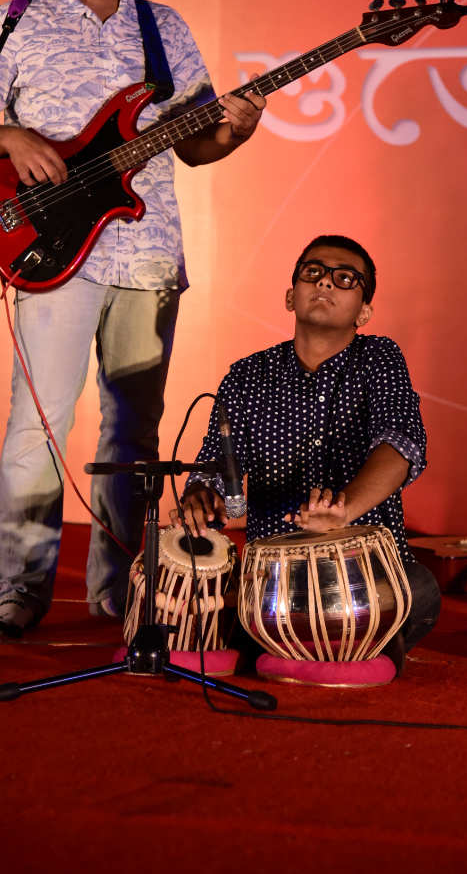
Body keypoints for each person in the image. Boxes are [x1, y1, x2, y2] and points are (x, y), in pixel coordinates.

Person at [0, 0, 264, 635]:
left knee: (134, 434)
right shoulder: (18, 22)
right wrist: (14, 137)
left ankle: (117, 591)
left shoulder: (165, 29)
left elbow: (195, 148)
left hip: (147, 250)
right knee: (40, 424)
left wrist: (236, 131)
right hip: (51, 247)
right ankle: (20, 590)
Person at [178, 234, 441, 667]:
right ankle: (327, 652)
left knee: (421, 589)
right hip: (274, 581)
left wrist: (344, 510)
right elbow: (215, 467)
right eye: (313, 273)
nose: (325, 284)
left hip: (366, 577)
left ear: (365, 312)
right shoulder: (247, 376)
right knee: (194, 596)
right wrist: (202, 497)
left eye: (345, 278)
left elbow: (400, 445)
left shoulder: (379, 359)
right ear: (290, 296)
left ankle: (290, 649)